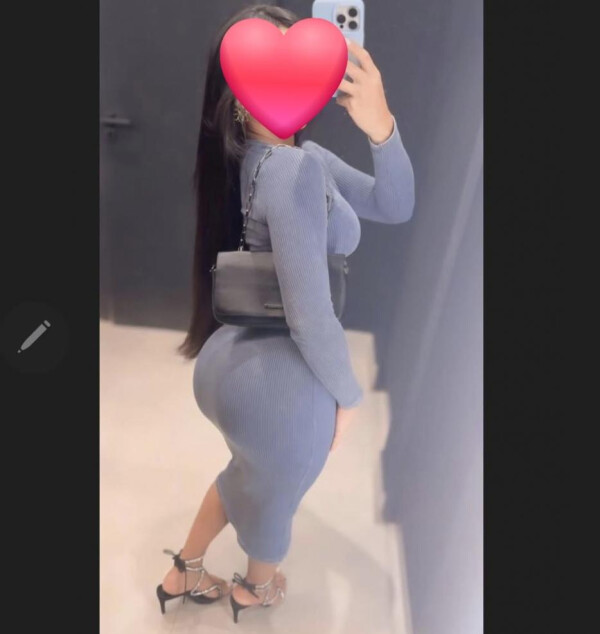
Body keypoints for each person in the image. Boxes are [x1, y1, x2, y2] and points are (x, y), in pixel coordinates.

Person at [155, 4, 415, 624]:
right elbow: (309, 313)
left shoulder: (281, 159)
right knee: (276, 496)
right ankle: (257, 588)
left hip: (230, 362)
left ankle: (183, 569)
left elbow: (394, 203)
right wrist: (348, 396)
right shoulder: (294, 169)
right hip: (275, 380)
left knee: (248, 471)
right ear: (239, 96)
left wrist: (381, 127)